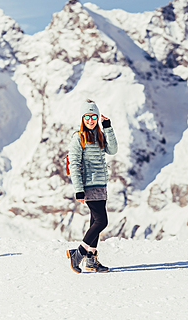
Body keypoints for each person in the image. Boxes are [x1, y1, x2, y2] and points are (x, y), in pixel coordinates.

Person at [66, 99, 118, 273]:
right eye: (87, 116)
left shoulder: (100, 135)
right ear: (82, 118)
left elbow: (112, 150)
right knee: (102, 221)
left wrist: (108, 127)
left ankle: (91, 260)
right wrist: (79, 189)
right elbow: (74, 164)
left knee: (95, 221)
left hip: (101, 184)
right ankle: (79, 253)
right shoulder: (78, 138)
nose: (90, 120)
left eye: (93, 116)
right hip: (88, 186)